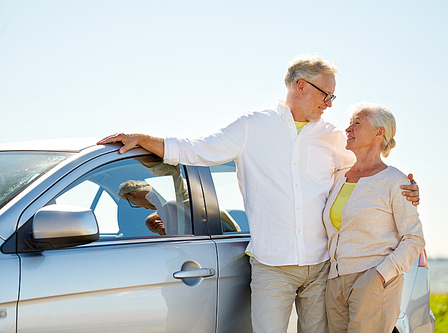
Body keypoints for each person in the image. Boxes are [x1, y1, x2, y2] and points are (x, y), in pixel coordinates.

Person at [98, 54, 420, 333]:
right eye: (326, 94)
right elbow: (197, 149)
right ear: (300, 86)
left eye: (333, 98)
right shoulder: (253, 127)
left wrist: (406, 189)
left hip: (321, 268)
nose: (329, 104)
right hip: (271, 267)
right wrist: (143, 139)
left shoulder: (333, 138)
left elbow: (369, 172)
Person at [322, 102, 425, 333]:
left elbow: (414, 239)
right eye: (349, 124)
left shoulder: (395, 181)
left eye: (357, 124)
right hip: (335, 283)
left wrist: (379, 276)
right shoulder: (337, 178)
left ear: (380, 132)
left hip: (374, 282)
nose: (348, 129)